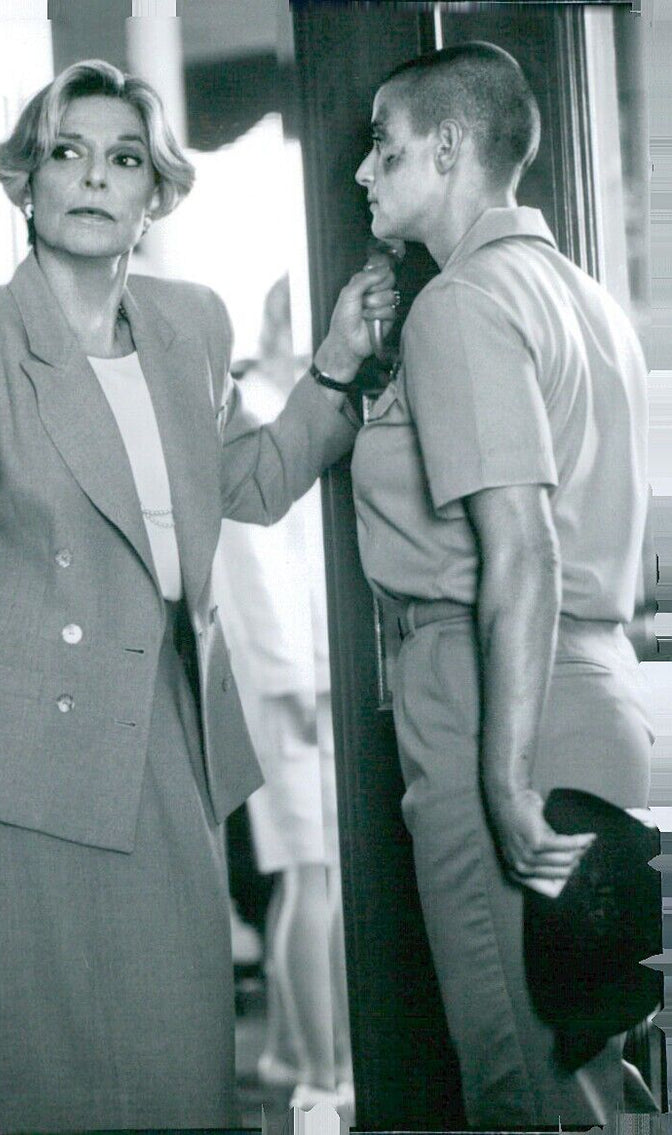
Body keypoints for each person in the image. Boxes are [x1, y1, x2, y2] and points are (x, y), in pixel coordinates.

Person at [0, 59, 396, 1132]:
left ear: (155, 194)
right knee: (16, 1074)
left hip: (163, 740)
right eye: (64, 154)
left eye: (123, 159)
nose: (91, 178)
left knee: (171, 1065)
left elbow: (245, 485)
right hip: (5, 768)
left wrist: (339, 366)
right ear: (24, 182)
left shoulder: (188, 326)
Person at [326, 41, 652, 1127]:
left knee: (523, 1081)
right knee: (585, 1072)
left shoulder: (460, 304)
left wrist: (504, 785)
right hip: (595, 693)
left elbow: (520, 551)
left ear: (451, 146)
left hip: (497, 703)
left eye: (385, 145)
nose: (365, 173)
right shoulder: (584, 298)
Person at [213, 277, 353, 1114]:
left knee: (306, 875)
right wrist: (303, 682)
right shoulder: (258, 413)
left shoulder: (272, 407)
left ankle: (294, 1048)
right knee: (313, 873)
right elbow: (260, 577)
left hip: (288, 680)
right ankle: (324, 1064)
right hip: (288, 684)